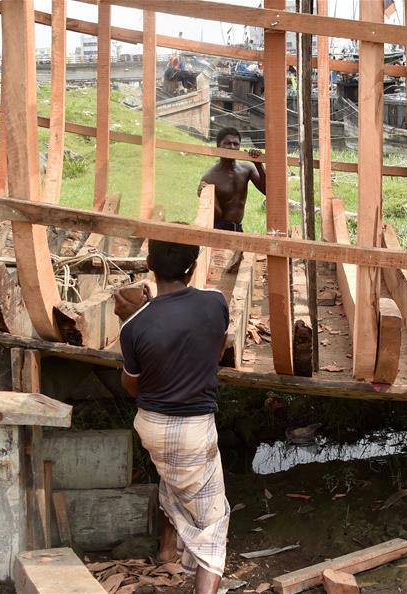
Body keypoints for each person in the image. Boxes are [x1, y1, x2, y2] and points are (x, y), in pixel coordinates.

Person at [113, 238, 230, 594]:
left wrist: (134, 316)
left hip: (152, 426)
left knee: (172, 480)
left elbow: (132, 387)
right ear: (193, 267)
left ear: (148, 263)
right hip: (193, 429)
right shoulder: (215, 304)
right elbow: (218, 349)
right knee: (213, 522)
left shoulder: (133, 326)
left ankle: (168, 551)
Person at [198, 127, 266, 232]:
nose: (232, 147)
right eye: (227, 143)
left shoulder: (247, 169)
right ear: (218, 146)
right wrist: (204, 194)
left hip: (238, 228)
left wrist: (258, 165)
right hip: (218, 229)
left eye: (236, 144)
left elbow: (267, 191)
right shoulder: (210, 177)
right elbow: (215, 214)